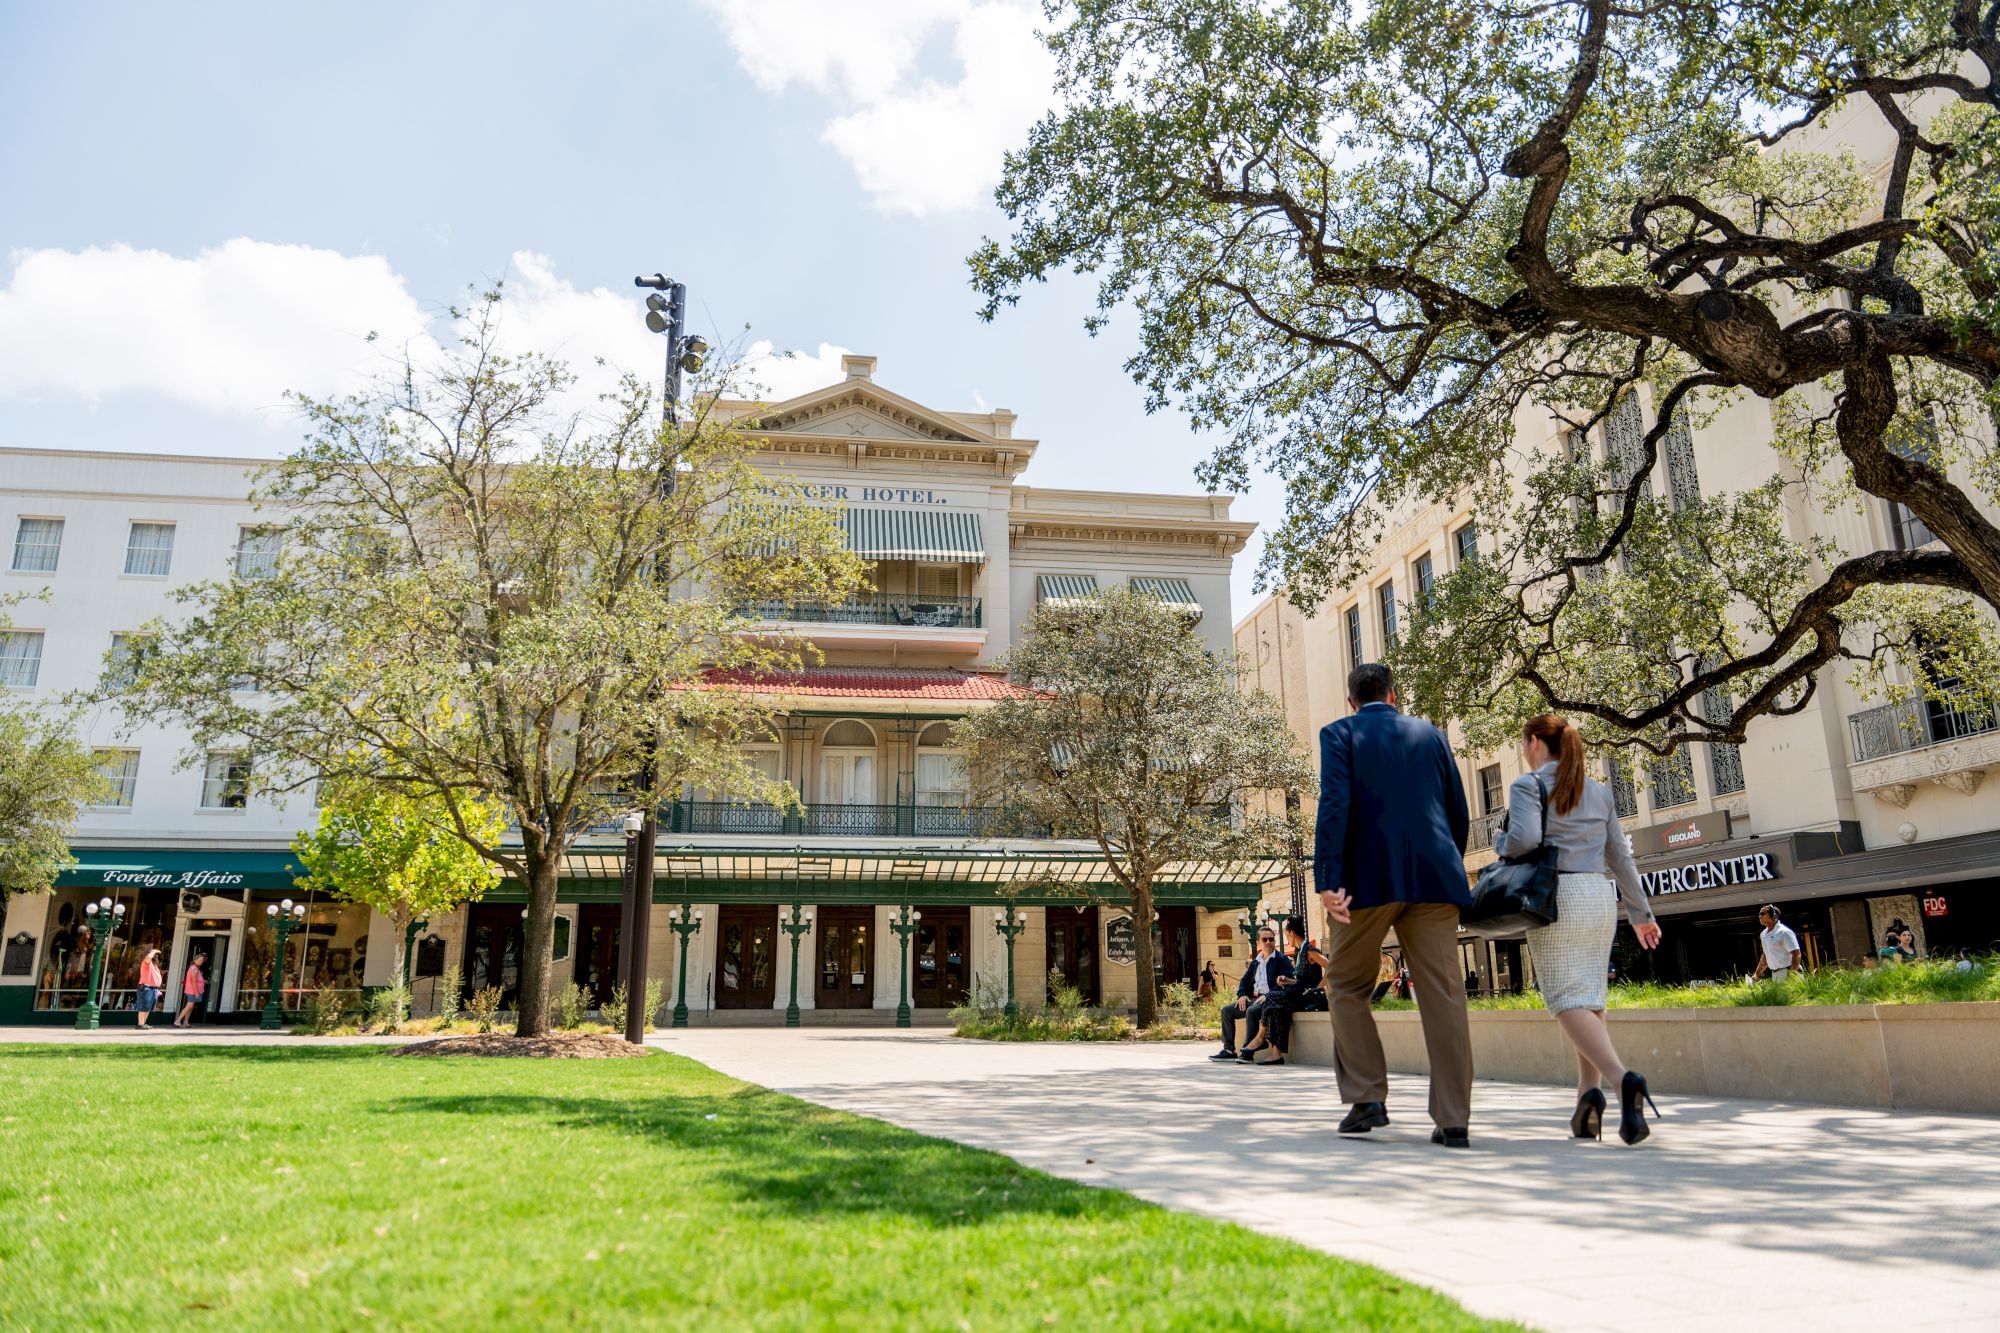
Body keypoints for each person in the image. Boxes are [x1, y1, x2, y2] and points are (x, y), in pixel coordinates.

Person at [1315, 662, 1475, 1147]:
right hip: (1434, 875)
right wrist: (1448, 862)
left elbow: (1335, 804)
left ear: (1351, 702)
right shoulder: (1432, 735)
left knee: (1344, 983)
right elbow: (1456, 811)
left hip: (1364, 882)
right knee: (1444, 994)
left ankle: (1368, 1097)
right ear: (1394, 694)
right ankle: (1453, 1120)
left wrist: (1328, 879)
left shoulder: (1339, 734)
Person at [1495, 716, 1664, 1145]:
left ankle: (1623, 1079)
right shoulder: (1599, 791)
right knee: (1589, 997)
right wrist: (1641, 913)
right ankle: (1587, 1103)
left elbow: (1524, 840)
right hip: (1597, 896)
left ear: (1534, 743)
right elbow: (1621, 858)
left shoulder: (1528, 786)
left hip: (1556, 898)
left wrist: (1500, 844)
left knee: (1564, 998)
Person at [1242, 916, 1326, 1065]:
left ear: (1292, 934)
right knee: (1279, 1010)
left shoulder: (1309, 951)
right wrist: (1287, 980)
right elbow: (1302, 981)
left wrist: (1317, 989)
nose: (1286, 938)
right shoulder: (1299, 952)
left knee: (1272, 997)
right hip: (1298, 994)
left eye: (1286, 935)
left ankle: (1260, 1038)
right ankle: (1276, 1054)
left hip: (1307, 998)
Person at [1209, 926, 1291, 1061]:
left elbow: (1286, 981)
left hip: (1270, 1000)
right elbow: (1244, 981)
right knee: (1226, 1011)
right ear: (1258, 942)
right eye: (1265, 939)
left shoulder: (1281, 959)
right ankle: (1229, 1050)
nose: (1269, 942)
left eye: (1271, 939)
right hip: (1254, 998)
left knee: (1252, 1011)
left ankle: (1248, 1053)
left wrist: (1269, 995)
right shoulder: (1255, 962)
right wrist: (1242, 995)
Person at [1750, 906, 1803, 982]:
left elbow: (1796, 954)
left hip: (1789, 972)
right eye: (1759, 914)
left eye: (1762, 913)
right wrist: (1756, 974)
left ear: (1773, 915)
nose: (1759, 916)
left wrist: (1792, 974)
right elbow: (1766, 955)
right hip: (1775, 974)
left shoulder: (1784, 932)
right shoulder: (1763, 934)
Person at [175, 950, 208, 1028]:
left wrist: (203, 981)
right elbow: (193, 981)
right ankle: (178, 1021)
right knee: (189, 1006)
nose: (201, 961)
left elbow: (196, 980)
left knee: (191, 1006)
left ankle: (186, 1022)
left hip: (192, 991)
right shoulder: (194, 969)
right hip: (192, 991)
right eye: (199, 960)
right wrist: (196, 992)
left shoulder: (195, 968)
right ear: (195, 960)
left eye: (202, 960)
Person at [135, 947, 164, 1030]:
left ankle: (143, 1024)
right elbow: (148, 958)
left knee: (148, 1008)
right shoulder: (146, 963)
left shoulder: (155, 966)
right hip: (146, 988)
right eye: (154, 956)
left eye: (157, 956)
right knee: (143, 1006)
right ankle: (140, 1024)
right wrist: (154, 951)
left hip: (153, 989)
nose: (156, 957)